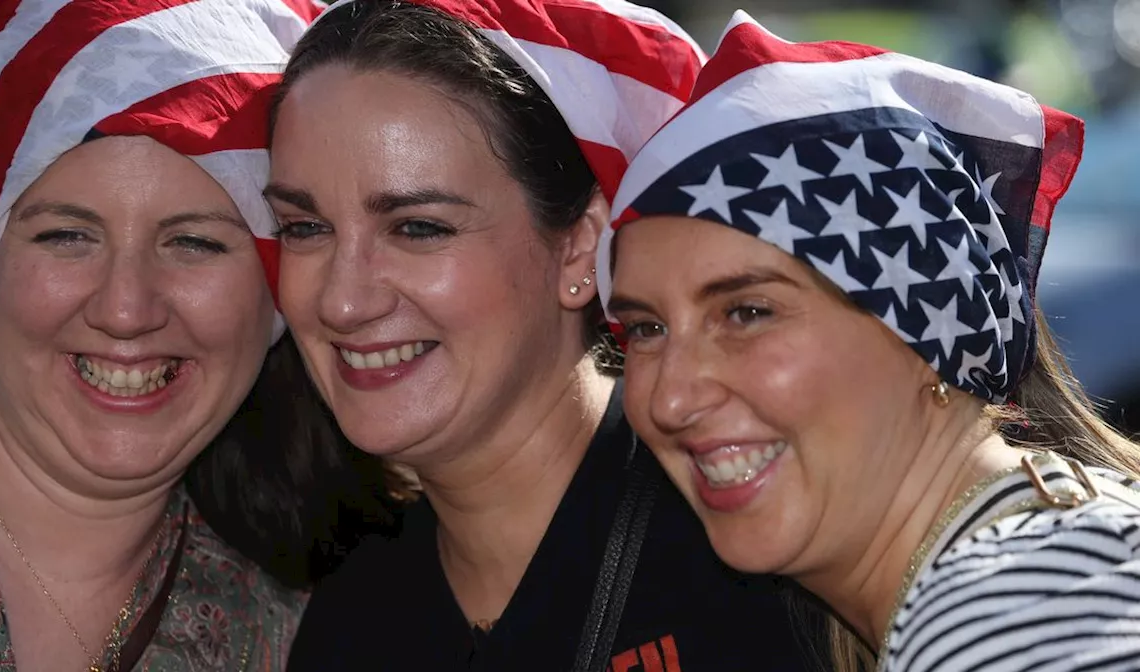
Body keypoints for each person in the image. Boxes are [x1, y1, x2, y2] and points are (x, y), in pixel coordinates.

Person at [267, 1, 831, 670]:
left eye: (418, 227)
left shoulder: (765, 550)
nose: (343, 299)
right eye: (304, 228)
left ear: (578, 251)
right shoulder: (346, 622)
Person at [605, 11, 1140, 672]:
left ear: (931, 331)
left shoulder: (1013, 614)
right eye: (646, 329)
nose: (670, 397)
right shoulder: (1038, 573)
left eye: (746, 312)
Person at [0, 0, 335, 669]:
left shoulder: (328, 613)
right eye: (68, 236)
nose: (124, 309)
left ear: (275, 294)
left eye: (195, 243)